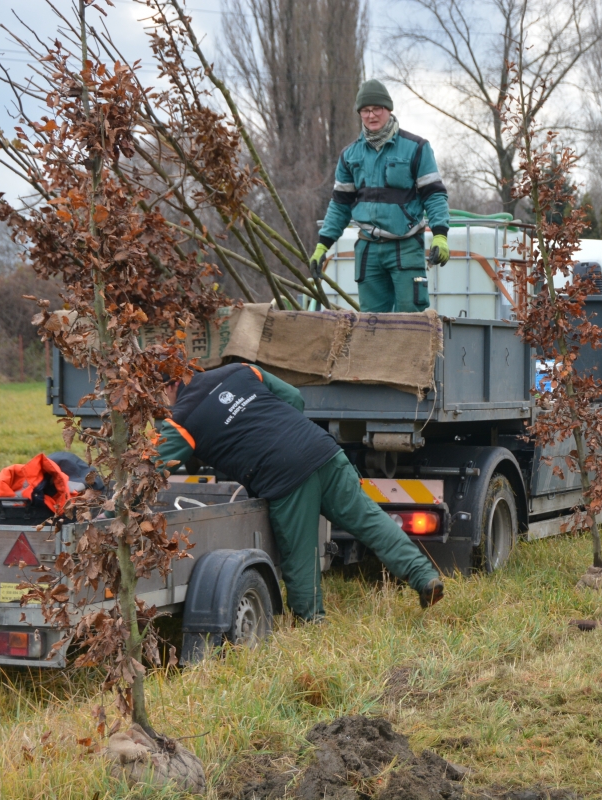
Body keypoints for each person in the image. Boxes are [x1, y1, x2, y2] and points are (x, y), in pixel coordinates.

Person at [156, 362, 443, 621]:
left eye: (161, 394)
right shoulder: (241, 370)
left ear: (171, 385)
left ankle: (311, 622)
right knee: (372, 521)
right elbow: (294, 397)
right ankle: (424, 576)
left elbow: (151, 470)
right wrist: (281, 433)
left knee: (300, 555)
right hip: (322, 449)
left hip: (285, 476)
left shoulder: (181, 421)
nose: (165, 402)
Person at [309, 79, 451, 313]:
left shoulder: (416, 148)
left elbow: (434, 195)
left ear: (388, 110)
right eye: (365, 110)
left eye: (377, 109)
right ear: (359, 113)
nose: (371, 115)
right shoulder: (350, 155)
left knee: (411, 321)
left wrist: (440, 235)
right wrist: (322, 246)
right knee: (371, 325)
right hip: (369, 250)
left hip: (406, 246)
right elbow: (340, 205)